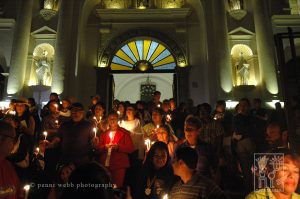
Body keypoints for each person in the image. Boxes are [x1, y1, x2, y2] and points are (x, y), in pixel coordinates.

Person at [95, 111, 135, 188]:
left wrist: (118, 147)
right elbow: (98, 149)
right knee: (105, 187)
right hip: (105, 164)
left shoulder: (124, 133)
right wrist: (104, 147)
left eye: (114, 118)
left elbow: (131, 148)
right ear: (108, 120)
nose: (112, 120)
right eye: (110, 119)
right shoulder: (104, 133)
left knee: (116, 187)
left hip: (118, 164)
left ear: (118, 120)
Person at [0, 121, 22, 199]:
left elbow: (17, 190)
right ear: (1, 139)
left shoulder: (8, 165)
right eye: (12, 140)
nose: (13, 145)